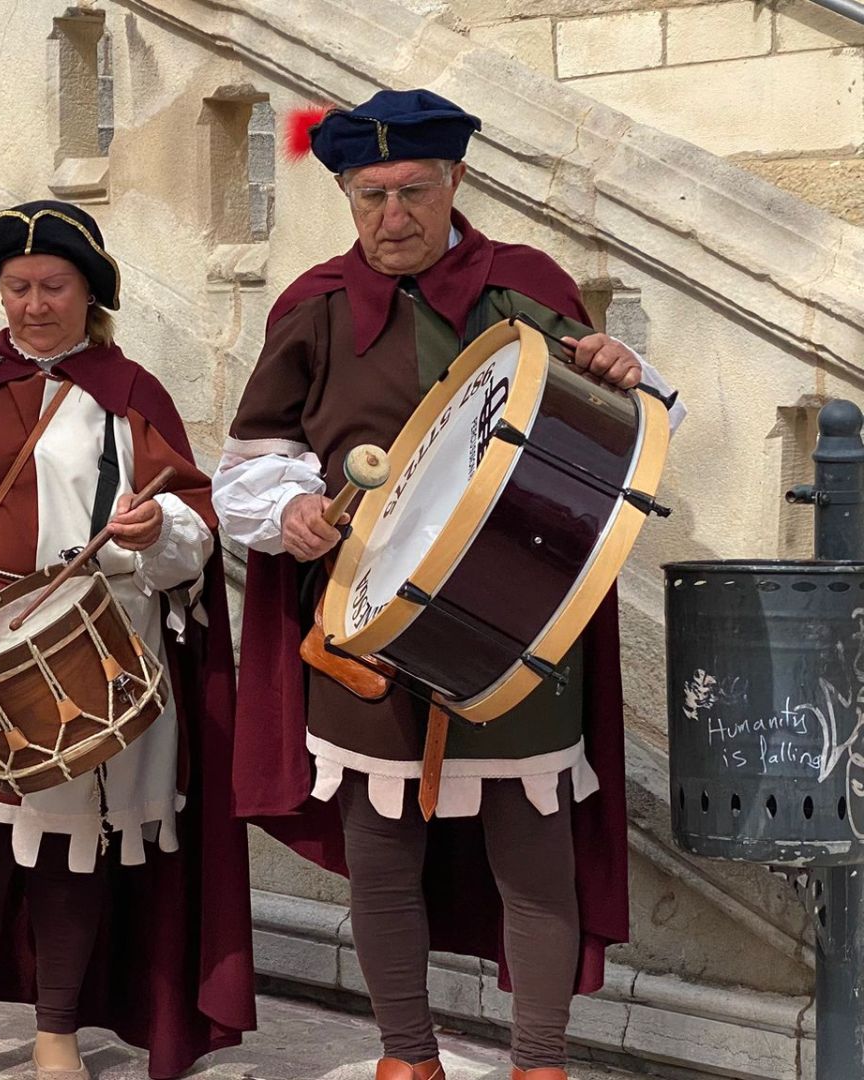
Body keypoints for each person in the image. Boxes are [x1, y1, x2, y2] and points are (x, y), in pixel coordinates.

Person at [216, 89, 683, 1080]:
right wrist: (289, 510)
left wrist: (619, 365)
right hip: (367, 626)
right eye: (371, 196)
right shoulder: (315, 307)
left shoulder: (529, 288)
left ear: (456, 182)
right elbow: (253, 458)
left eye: (415, 192)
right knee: (382, 856)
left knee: (534, 853)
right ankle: (407, 1061)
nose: (394, 217)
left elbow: (611, 421)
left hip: (515, 620)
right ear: (346, 195)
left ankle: (541, 1063)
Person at [0, 200, 256, 1080]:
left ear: (90, 294)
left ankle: (58, 1034)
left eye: (53, 287)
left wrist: (156, 534)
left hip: (89, 652)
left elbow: (194, 528)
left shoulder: (130, 396)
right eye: (18, 286)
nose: (33, 304)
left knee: (71, 845)